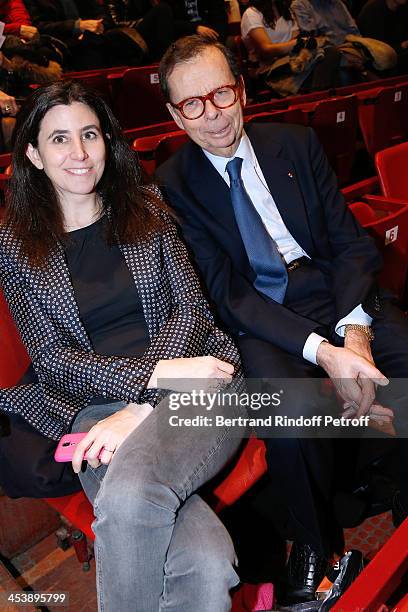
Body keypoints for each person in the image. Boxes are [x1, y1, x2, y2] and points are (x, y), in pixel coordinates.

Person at [156, 35, 408, 604]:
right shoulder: (172, 185)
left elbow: (351, 244)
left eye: (221, 92)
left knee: (407, 360)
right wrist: (325, 352)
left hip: (332, 292)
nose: (213, 114)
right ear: (174, 115)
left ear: (240, 89)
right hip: (261, 315)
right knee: (290, 412)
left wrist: (355, 333)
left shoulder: (296, 143)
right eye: (192, 104)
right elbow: (225, 294)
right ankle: (316, 544)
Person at [0, 79, 249, 611]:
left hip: (204, 385)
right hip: (98, 411)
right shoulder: (17, 245)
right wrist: (149, 385)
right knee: (206, 564)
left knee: (133, 495)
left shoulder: (148, 208)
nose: (80, 152)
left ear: (107, 141)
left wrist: (148, 404)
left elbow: (193, 312)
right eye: (60, 138)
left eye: (89, 134)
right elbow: (53, 361)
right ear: (33, 154)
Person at [240, 0, 342, 95]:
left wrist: (297, 43)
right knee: (329, 61)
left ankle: (317, 100)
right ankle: (316, 100)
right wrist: (298, 43)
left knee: (330, 53)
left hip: (291, 59)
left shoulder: (285, 10)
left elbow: (294, 37)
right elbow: (266, 49)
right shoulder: (251, 14)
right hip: (269, 67)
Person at [23, 0, 118, 70]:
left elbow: (103, 14)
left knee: (118, 37)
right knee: (89, 48)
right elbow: (39, 27)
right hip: (61, 40)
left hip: (94, 34)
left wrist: (99, 25)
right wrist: (77, 26)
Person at [357, 0, 408, 74]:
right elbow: (376, 49)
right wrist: (402, 46)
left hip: (397, 55)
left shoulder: (404, 8)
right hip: (376, 61)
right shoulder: (373, 9)